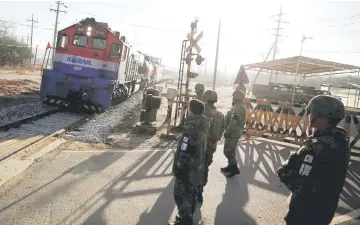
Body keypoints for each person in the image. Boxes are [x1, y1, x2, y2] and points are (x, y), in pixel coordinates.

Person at [277, 95, 350, 225]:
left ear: (321, 117)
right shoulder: (340, 140)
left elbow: (297, 182)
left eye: (312, 114)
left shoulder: (317, 146)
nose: (309, 117)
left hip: (304, 214)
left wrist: (285, 169)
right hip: (324, 211)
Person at [170, 99, 210, 225]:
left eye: (188, 109)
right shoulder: (202, 125)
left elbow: (185, 149)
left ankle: (185, 219)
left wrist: (179, 166)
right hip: (196, 166)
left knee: (181, 193)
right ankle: (186, 216)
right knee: (191, 193)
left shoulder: (191, 127)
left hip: (187, 167)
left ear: (191, 112)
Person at [198, 90, 225, 203]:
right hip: (211, 146)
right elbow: (222, 130)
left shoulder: (200, 111)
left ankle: (194, 190)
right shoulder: (220, 115)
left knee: (195, 167)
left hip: (200, 145)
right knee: (205, 167)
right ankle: (200, 191)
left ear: (205, 99)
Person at [221, 90, 247, 177]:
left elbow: (233, 120)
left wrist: (227, 131)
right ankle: (230, 166)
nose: (233, 97)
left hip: (233, 132)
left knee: (228, 151)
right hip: (234, 131)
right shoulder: (237, 106)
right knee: (230, 150)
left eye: (234, 96)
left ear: (237, 97)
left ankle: (234, 168)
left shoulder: (239, 107)